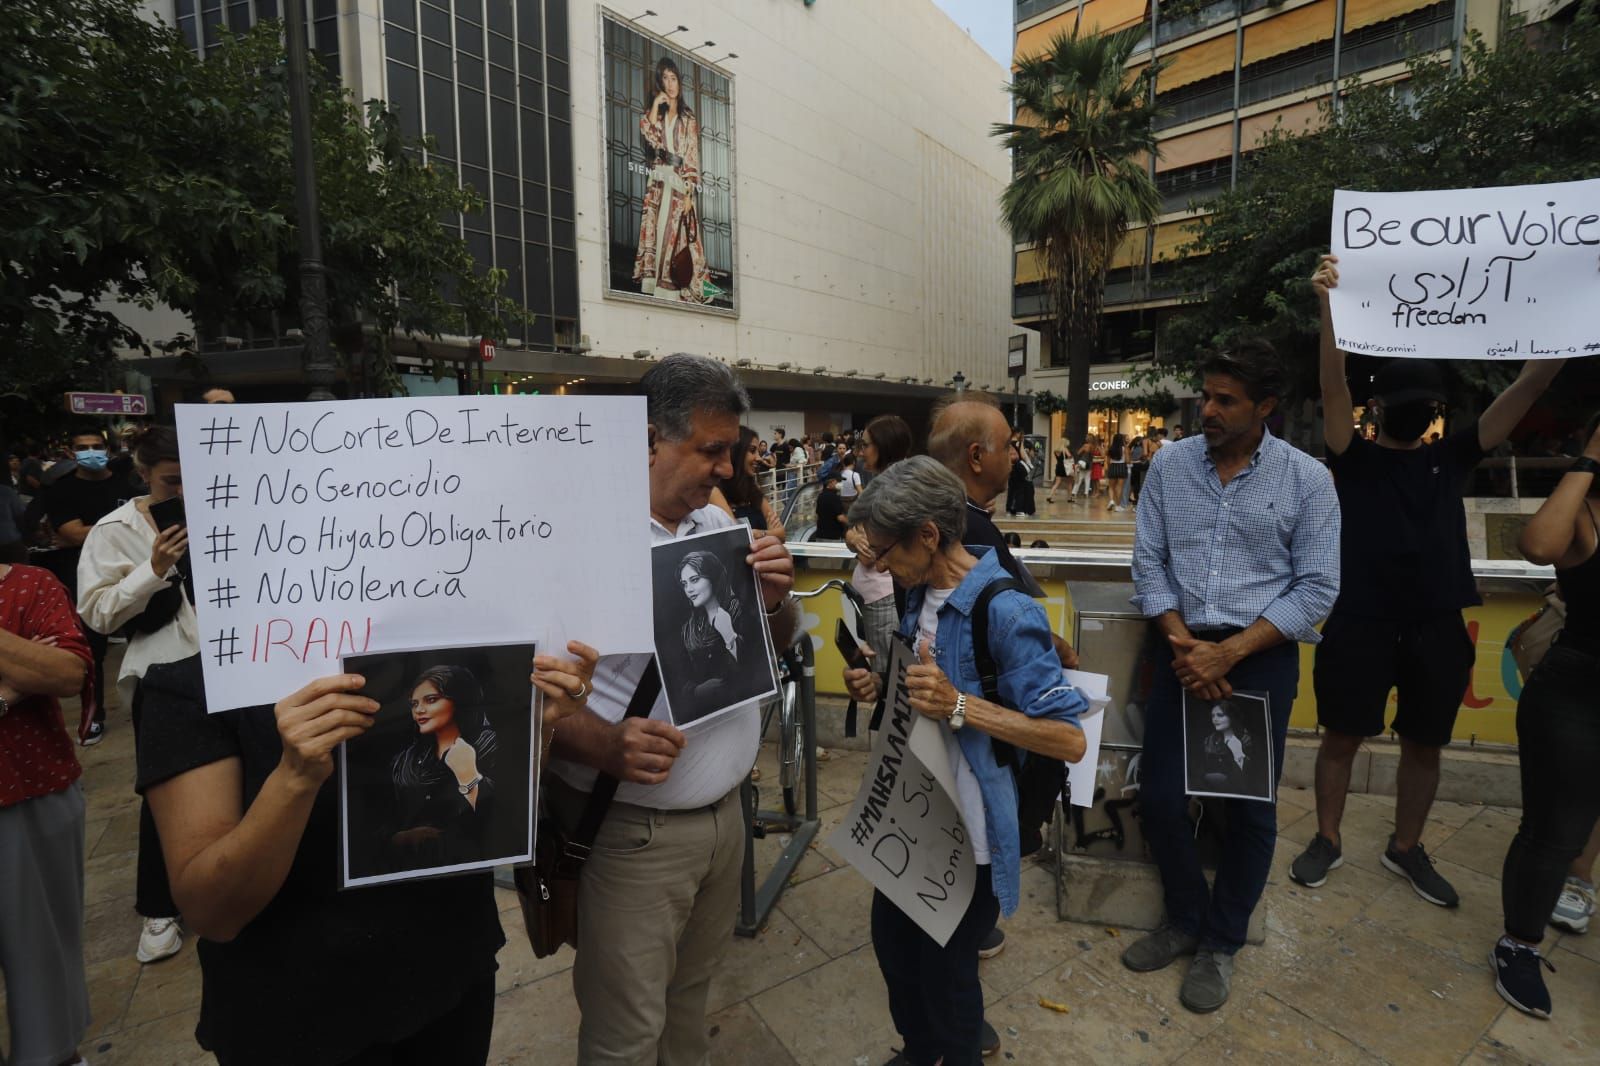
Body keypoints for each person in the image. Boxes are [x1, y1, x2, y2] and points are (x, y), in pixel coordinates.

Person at [136, 641, 591, 1065]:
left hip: (448, 979)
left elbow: (490, 817)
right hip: (292, 1017)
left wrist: (538, 726)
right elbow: (212, 911)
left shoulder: (446, 661)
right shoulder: (195, 690)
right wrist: (294, 776)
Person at [544, 354, 800, 1064]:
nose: (726, 468)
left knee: (690, 1003)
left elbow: (772, 645)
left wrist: (775, 603)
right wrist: (602, 744)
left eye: (732, 450)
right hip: (636, 838)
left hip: (726, 820)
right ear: (648, 441)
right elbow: (527, 695)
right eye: (710, 450)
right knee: (625, 1032)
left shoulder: (718, 526)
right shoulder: (575, 544)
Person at [1292, 256, 1566, 906]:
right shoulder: (1352, 459)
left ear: (1436, 412)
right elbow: (1333, 387)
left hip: (1438, 625)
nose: (1416, 415)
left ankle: (1406, 847)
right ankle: (1327, 838)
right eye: (1406, 406)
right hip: (1359, 620)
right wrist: (1328, 307)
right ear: (1377, 407)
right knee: (1340, 737)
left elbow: (1524, 391)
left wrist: (1567, 327)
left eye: (1428, 407)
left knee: (1426, 743)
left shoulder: (1454, 456)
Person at [841, 456, 1088, 1066]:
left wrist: (962, 706)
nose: (878, 565)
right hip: (914, 815)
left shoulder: (1006, 611)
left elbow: (1068, 738)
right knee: (895, 951)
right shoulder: (919, 591)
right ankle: (920, 1051)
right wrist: (880, 682)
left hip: (971, 837)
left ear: (928, 535)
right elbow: (923, 683)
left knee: (948, 980)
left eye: (885, 551)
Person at [1126, 339, 1340, 1013]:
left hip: (1260, 657)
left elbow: (1316, 587)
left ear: (1266, 406)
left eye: (1225, 400)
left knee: (1246, 809)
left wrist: (1231, 653)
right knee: (1160, 798)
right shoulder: (1169, 465)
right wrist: (1186, 646)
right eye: (1205, 395)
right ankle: (1185, 918)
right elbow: (1149, 564)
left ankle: (1221, 942)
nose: (1207, 410)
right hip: (1180, 650)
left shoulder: (1307, 480)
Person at [1488, 412, 1600, 1019]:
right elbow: (1536, 546)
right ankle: (1519, 944)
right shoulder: (1586, 515)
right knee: (1552, 827)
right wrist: (1589, 458)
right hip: (1577, 688)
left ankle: (1580, 883)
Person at [75, 425, 198, 965]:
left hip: (234, 662)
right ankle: (159, 904)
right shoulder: (112, 530)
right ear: (144, 475)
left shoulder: (227, 507)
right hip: (163, 670)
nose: (184, 492)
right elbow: (97, 611)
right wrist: (152, 571)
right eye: (172, 482)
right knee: (166, 793)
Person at [0, 561, 94, 1066]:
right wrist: (11, 688)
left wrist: (35, 671)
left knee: (43, 962)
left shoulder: (30, 583)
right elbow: (38, 668)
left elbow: (65, 673)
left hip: (32, 789)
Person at [43, 426, 133, 745]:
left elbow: (85, 532)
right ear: (71, 452)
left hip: (134, 576)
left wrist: (91, 530)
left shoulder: (128, 484)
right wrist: (124, 526)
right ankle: (94, 716)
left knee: (144, 642)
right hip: (85, 581)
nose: (91, 452)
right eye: (84, 446)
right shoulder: (61, 490)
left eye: (97, 446)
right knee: (91, 653)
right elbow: (70, 533)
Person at [385, 665, 499, 870]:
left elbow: (501, 823)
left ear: (460, 700)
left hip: (470, 871)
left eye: (431, 700)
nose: (419, 710)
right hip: (406, 870)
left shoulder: (491, 746)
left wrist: (468, 775)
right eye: (414, 703)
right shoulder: (405, 761)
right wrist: (400, 838)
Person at [632, 56, 712, 303]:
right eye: (665, 78)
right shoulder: (656, 114)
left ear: (679, 82)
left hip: (679, 181)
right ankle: (656, 285)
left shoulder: (688, 119)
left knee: (676, 235)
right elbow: (649, 135)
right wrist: (656, 104)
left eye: (674, 78)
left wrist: (689, 195)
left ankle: (677, 288)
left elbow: (691, 158)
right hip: (658, 178)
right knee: (657, 229)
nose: (670, 83)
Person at [844, 414, 915, 670]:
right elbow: (854, 536)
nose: (860, 453)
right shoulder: (886, 484)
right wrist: (852, 535)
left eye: (865, 445)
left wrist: (853, 536)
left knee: (885, 681)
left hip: (884, 600)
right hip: (879, 598)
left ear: (884, 446)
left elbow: (867, 554)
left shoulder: (892, 492)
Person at [674, 549, 763, 711]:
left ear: (713, 577)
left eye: (694, 580)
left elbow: (754, 670)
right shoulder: (688, 629)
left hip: (740, 711)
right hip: (700, 715)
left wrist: (729, 636)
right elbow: (679, 677)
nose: (689, 589)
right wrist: (696, 691)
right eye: (684, 584)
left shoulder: (741, 613)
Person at [719, 426, 786, 538]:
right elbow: (737, 538)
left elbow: (782, 534)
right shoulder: (715, 491)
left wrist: (759, 534)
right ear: (736, 451)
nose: (758, 458)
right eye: (752, 451)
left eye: (758, 452)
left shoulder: (752, 488)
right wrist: (769, 534)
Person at [1198, 700, 1258, 795]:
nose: (1215, 719)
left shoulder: (1245, 741)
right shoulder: (1209, 741)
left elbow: (1247, 779)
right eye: (1213, 716)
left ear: (1231, 717)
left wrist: (1237, 752)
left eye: (1220, 715)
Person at [1004, 432, 1034, 517]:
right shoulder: (1020, 442)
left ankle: (1009, 509)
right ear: (1017, 433)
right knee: (1020, 488)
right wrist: (1029, 464)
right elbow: (1023, 454)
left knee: (1011, 488)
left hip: (1010, 466)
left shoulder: (1007, 442)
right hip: (1019, 467)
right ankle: (1019, 510)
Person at [814, 473, 848, 540]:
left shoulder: (821, 496)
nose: (840, 483)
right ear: (830, 482)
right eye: (838, 481)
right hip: (833, 537)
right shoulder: (834, 497)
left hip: (820, 534)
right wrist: (853, 523)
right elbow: (840, 518)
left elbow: (818, 515)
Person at [1104, 432, 1128, 512]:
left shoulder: (1110, 449)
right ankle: (1118, 506)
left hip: (1113, 467)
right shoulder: (1125, 448)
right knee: (1119, 487)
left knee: (1111, 486)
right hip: (1122, 467)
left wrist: (1109, 467)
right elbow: (1127, 460)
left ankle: (1111, 501)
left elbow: (1107, 461)